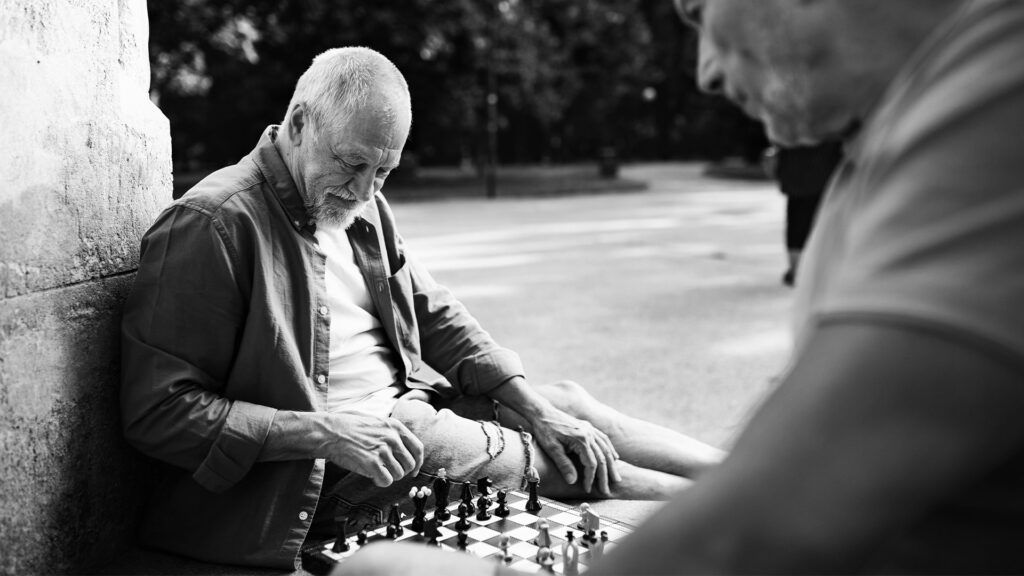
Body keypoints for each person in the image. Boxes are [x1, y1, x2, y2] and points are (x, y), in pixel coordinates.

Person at [338, 0, 1024, 573]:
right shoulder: (906, 121)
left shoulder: (999, 95)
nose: (705, 74)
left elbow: (770, 522)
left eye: (698, 14)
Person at [120, 47, 721, 569]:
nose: (364, 190)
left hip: (404, 411)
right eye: (353, 163)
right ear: (299, 124)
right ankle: (743, 506)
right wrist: (325, 432)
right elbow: (157, 413)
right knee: (556, 459)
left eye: (384, 171)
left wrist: (534, 408)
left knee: (563, 405)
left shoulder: (363, 204)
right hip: (310, 474)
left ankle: (737, 470)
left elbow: (433, 313)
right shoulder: (211, 225)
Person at [766, 142, 843, 286]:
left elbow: (779, 138)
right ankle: (814, 270)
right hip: (824, 177)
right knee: (818, 224)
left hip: (796, 176)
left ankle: (795, 270)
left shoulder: (793, 122)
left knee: (795, 224)